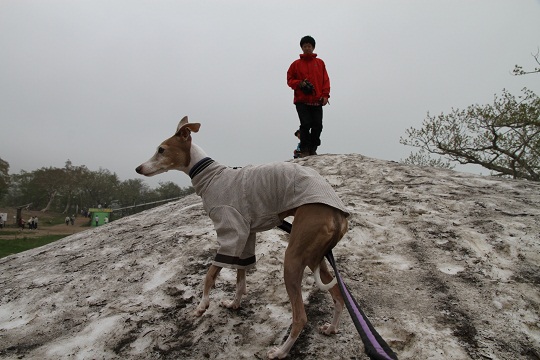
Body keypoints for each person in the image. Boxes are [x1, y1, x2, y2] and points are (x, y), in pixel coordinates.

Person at [287, 35, 330, 157]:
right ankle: (304, 149)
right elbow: (289, 79)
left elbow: (325, 80)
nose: (307, 48)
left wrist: (325, 95)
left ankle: (313, 148)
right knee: (305, 124)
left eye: (309, 46)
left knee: (318, 125)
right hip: (301, 100)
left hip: (317, 100)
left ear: (313, 47)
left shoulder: (320, 63)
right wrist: (300, 83)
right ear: (301, 48)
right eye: (304, 46)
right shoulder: (295, 64)